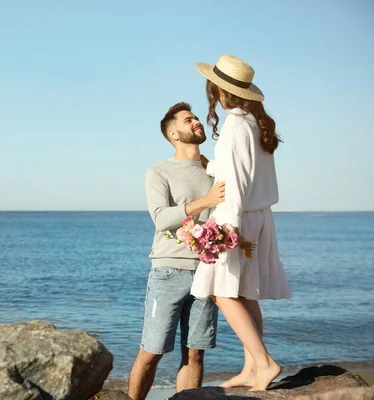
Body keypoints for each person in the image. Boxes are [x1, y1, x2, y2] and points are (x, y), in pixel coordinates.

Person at [191, 55, 292, 391]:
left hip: (238, 217)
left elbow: (236, 182)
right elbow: (243, 172)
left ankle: (263, 363)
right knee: (247, 293)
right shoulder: (255, 122)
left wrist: (227, 228)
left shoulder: (235, 124)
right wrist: (211, 167)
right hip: (260, 217)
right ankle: (252, 368)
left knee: (222, 293)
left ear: (220, 91)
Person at [128, 102, 225, 400]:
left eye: (196, 118)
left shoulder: (214, 170)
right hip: (169, 271)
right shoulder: (159, 170)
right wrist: (206, 200)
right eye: (188, 120)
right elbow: (161, 217)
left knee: (195, 355)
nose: (196, 122)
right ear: (174, 134)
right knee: (152, 351)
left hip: (207, 272)